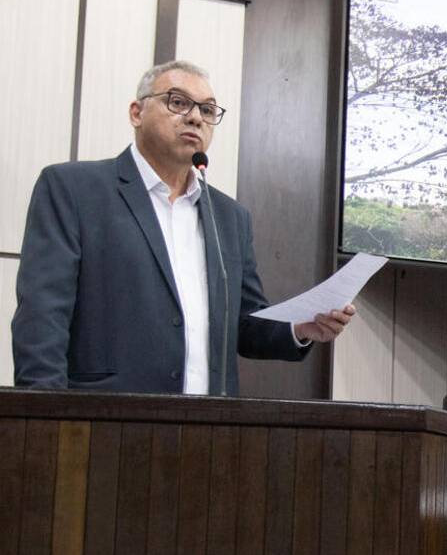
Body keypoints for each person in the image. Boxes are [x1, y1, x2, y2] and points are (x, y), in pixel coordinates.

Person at [12, 60, 354, 395]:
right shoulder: (73, 189)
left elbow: (242, 324)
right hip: (105, 422)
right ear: (137, 112)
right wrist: (45, 414)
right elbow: (43, 315)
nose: (195, 117)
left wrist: (299, 328)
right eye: (178, 102)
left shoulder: (230, 217)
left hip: (208, 431)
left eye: (207, 110)